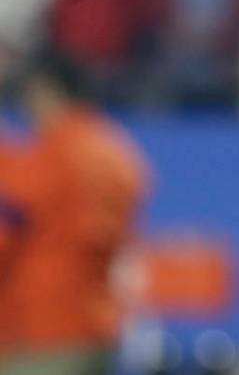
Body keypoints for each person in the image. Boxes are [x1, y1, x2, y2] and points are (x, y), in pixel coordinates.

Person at [0, 52, 149, 375]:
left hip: (39, 329)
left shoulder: (47, 155)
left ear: (46, 92)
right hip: (97, 321)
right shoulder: (117, 151)